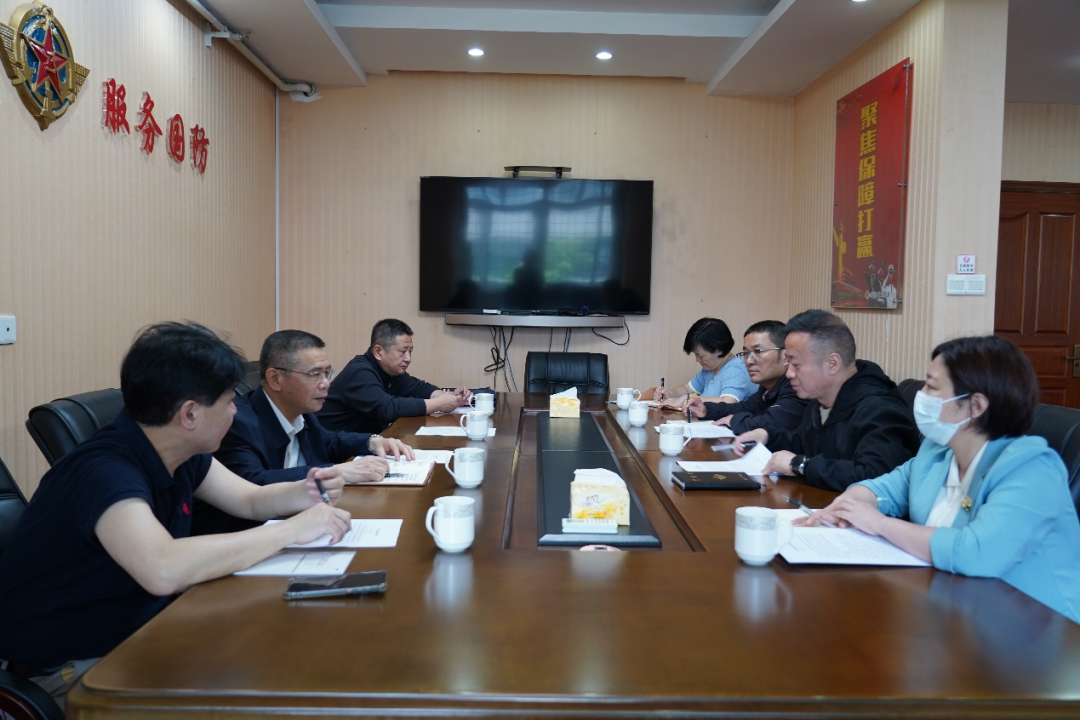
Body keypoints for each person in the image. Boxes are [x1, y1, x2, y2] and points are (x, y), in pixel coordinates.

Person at [0, 322, 352, 708]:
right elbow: (162, 568)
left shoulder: (181, 452)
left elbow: (250, 500)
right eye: (228, 402)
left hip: (146, 629)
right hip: (73, 668)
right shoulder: (104, 471)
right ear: (189, 414)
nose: (235, 412)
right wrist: (290, 531)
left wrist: (307, 490)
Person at [799, 336, 1080, 623]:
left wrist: (879, 523)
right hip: (954, 608)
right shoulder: (938, 450)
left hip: (1039, 628)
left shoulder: (1031, 469)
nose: (921, 395)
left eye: (932, 387)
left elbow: (974, 552)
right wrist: (846, 506)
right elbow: (884, 488)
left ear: (975, 406)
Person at [196, 330, 415, 535]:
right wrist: (337, 471)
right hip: (258, 533)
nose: (326, 383)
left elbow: (329, 441)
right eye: (315, 374)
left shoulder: (302, 410)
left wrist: (373, 441)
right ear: (275, 379)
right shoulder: (237, 422)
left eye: (327, 373)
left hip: (311, 521)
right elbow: (254, 483)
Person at [733, 309, 919, 491]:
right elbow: (805, 444)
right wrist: (767, 435)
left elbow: (872, 475)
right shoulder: (820, 398)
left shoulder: (880, 409)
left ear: (832, 363)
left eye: (796, 365)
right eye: (788, 364)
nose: (789, 374)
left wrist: (800, 465)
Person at [318, 319, 472, 434]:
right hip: (334, 453)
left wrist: (448, 397)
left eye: (410, 351)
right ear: (378, 352)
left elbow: (418, 388)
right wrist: (438, 404)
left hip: (364, 445)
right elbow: (387, 408)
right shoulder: (359, 372)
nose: (408, 358)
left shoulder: (390, 370)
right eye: (402, 352)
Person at [684, 320, 806, 435]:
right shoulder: (766, 389)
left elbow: (772, 423)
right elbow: (742, 408)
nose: (749, 361)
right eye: (746, 353)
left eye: (758, 351)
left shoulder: (797, 386)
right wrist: (705, 409)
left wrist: (735, 420)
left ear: (786, 356)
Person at [653, 317, 757, 407]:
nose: (697, 360)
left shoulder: (736, 368)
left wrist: (689, 399)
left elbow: (728, 402)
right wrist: (669, 394)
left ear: (719, 349)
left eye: (700, 355)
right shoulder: (709, 370)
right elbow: (686, 388)